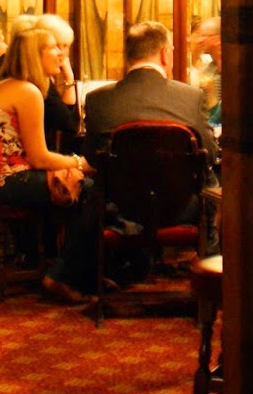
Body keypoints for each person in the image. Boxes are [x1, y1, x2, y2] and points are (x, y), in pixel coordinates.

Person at [0, 25, 94, 304]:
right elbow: (39, 158)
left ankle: (75, 273)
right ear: (35, 55)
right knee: (91, 190)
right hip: (2, 181)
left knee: (76, 184)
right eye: (53, 47)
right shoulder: (27, 91)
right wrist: (79, 162)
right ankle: (62, 277)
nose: (60, 53)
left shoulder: (6, 84)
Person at [85, 21, 220, 257]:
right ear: (165, 54)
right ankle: (209, 260)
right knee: (209, 182)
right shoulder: (190, 97)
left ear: (128, 56)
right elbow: (210, 154)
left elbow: (91, 158)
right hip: (181, 208)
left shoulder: (98, 100)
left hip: (121, 209)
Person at [34, 13, 81, 147]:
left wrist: (68, 77)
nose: (61, 53)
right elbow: (67, 123)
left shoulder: (46, 77)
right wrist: (69, 78)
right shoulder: (37, 80)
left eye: (65, 46)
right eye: (54, 47)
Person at [188, 15, 221, 131]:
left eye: (204, 36)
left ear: (218, 39)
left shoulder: (234, 70)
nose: (199, 40)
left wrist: (211, 95)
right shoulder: (205, 71)